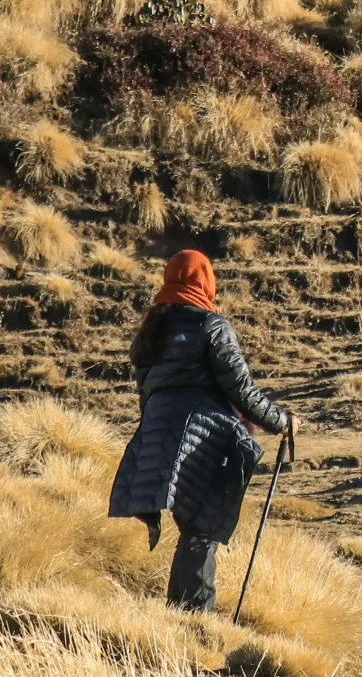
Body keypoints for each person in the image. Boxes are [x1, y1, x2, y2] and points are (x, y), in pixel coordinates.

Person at [108, 249, 295, 612]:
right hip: (202, 437)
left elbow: (145, 394)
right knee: (203, 527)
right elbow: (240, 389)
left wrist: (154, 437)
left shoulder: (152, 328)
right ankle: (197, 617)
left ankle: (181, 615)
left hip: (157, 436)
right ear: (205, 282)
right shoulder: (212, 326)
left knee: (192, 526)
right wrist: (282, 422)